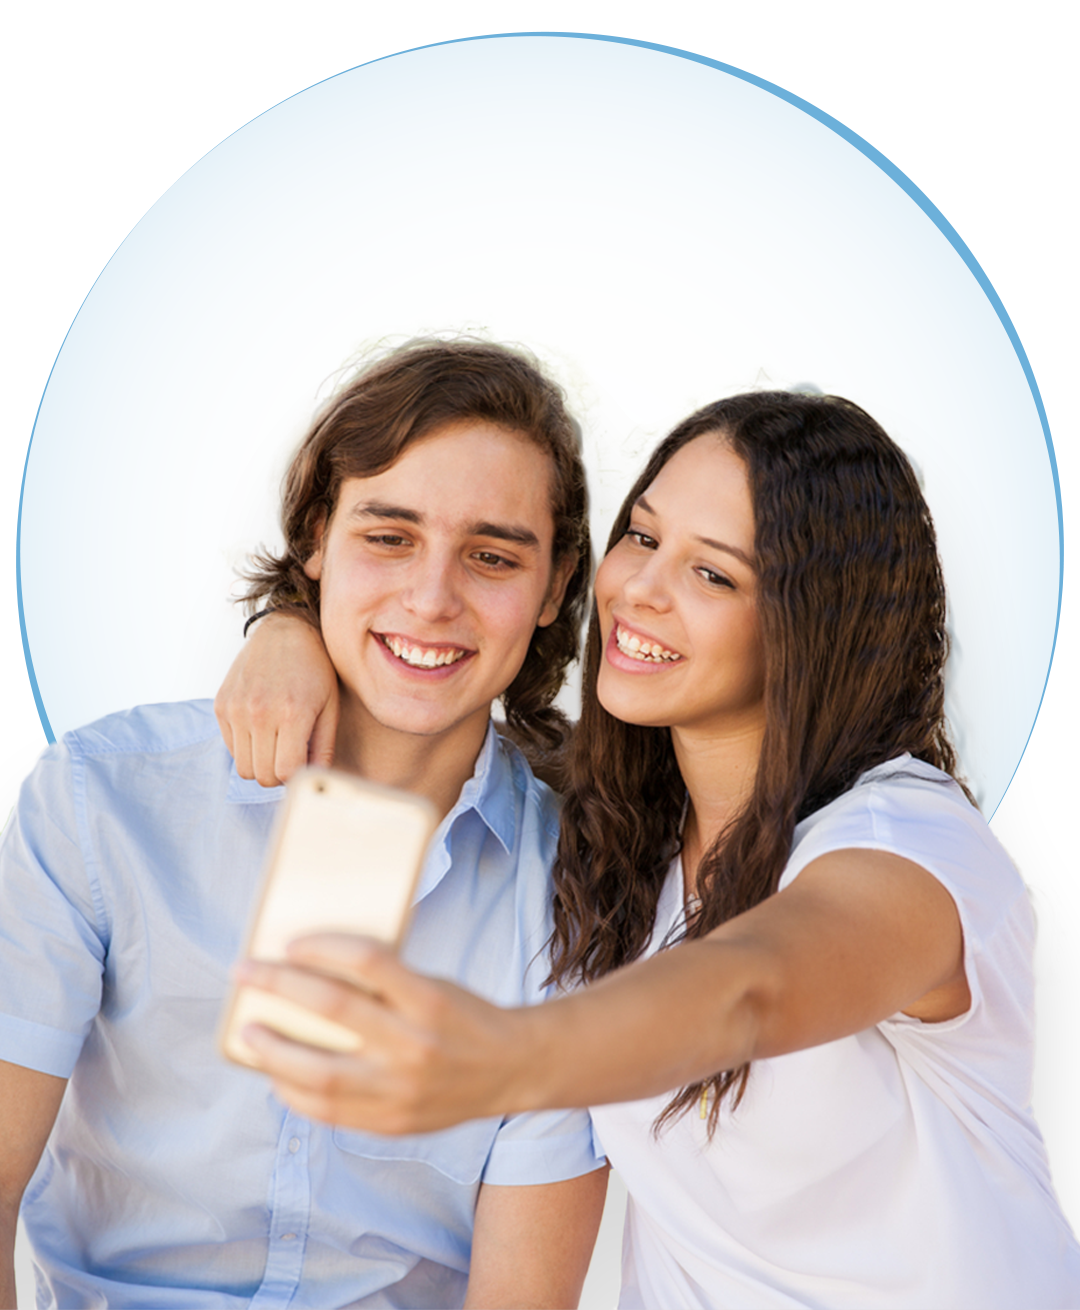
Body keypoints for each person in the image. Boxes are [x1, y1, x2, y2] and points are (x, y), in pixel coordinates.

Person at [227, 388, 1080, 1308]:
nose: (639, 589)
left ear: (813, 625)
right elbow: (419, 689)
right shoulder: (615, 830)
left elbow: (754, 987)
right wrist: (285, 627)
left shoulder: (909, 843)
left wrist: (508, 1057)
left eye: (713, 574)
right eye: (641, 536)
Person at [0, 331, 610, 1310]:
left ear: (557, 588)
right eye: (389, 536)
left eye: (493, 556)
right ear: (316, 537)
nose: (431, 596)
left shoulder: (574, 901)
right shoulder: (101, 801)